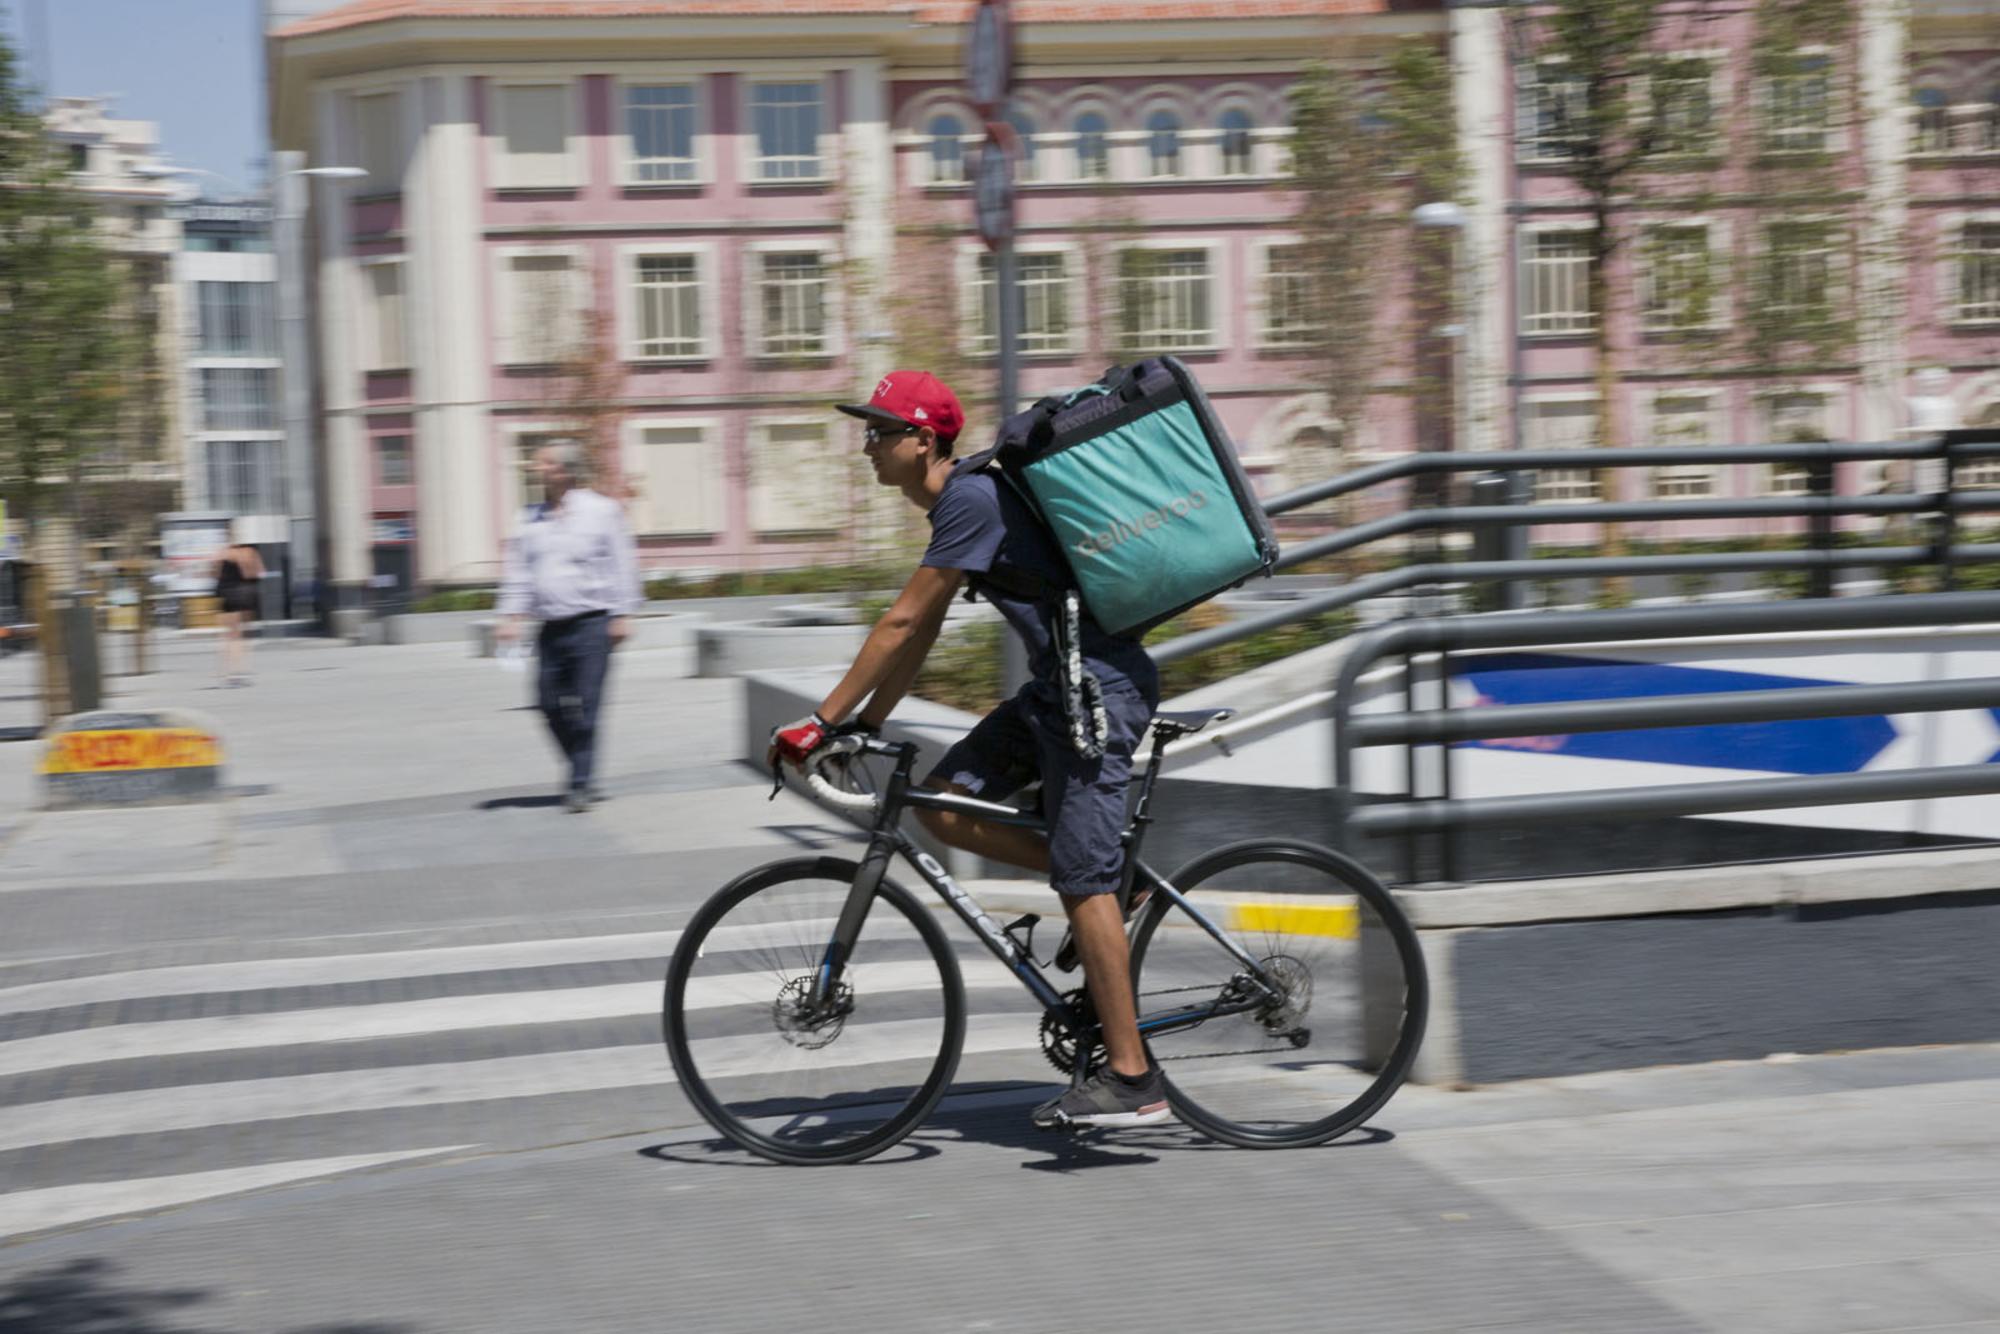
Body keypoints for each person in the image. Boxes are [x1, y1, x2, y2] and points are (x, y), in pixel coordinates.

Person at [768, 371, 1168, 1131]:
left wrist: (819, 723)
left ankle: (1132, 1077)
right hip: (1059, 695)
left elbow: (898, 621)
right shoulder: (964, 505)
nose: (867, 447)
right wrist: (868, 723)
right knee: (948, 804)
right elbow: (920, 632)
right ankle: (1120, 885)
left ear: (923, 441)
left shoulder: (970, 499)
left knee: (1082, 879)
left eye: (879, 432)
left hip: (1097, 697)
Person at [497, 441, 642, 813]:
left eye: (542, 462)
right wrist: (510, 615)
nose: (534, 467)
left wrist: (624, 613)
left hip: (593, 626)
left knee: (588, 706)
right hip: (550, 628)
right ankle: (581, 763)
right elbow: (519, 571)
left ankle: (580, 782)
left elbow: (623, 564)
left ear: (563, 470)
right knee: (547, 701)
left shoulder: (602, 511)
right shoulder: (528, 517)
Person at [213, 536, 264, 686]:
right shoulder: (250, 552)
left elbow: (214, 573)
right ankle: (241, 671)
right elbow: (256, 573)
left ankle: (226, 673)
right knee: (242, 636)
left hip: (226, 595)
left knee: (228, 636)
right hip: (245, 594)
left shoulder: (222, 553)